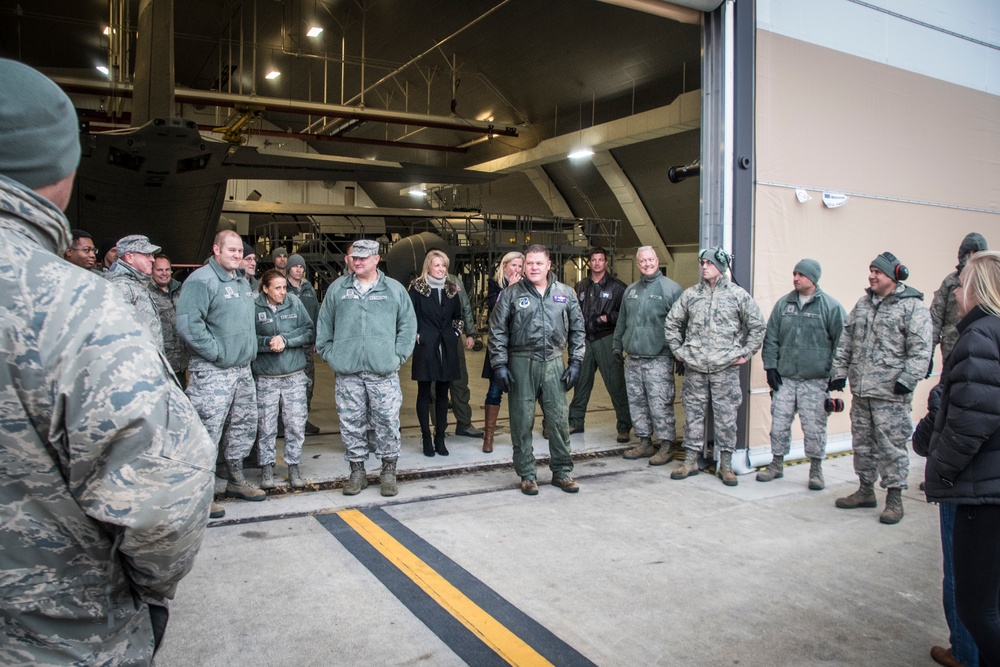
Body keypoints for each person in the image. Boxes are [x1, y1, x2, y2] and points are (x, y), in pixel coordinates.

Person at [0, 57, 214, 665]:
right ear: (62, 171)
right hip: (53, 636)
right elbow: (164, 494)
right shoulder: (72, 305)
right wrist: (149, 590)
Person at [923, 250, 1000, 665]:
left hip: (976, 489)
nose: (955, 292)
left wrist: (942, 470)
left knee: (976, 606)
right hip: (988, 483)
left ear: (978, 288)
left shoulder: (979, 336)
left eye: (963, 283)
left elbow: (972, 420)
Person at [830, 251, 931, 523]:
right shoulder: (863, 304)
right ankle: (865, 490)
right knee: (863, 444)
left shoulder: (913, 307)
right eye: (871, 270)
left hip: (891, 395)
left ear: (895, 276)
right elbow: (846, 340)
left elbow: (921, 351)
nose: (872, 276)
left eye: (879, 272)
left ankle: (895, 498)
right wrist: (839, 372)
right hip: (862, 392)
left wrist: (907, 380)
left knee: (892, 447)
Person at [316, 239, 416, 497]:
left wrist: (397, 356)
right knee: (351, 423)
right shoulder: (337, 290)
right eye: (354, 258)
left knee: (387, 422)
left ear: (376, 259)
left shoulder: (393, 289)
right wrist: (331, 354)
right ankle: (357, 472)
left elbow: (407, 325)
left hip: (383, 372)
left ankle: (388, 471)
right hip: (348, 372)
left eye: (363, 258)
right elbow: (324, 325)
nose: (357, 262)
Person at [177, 229, 266, 508]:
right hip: (212, 371)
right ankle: (199, 491)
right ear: (216, 250)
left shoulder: (241, 282)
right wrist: (216, 352)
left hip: (241, 370)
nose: (238, 256)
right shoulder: (201, 281)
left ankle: (235, 479)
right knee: (207, 431)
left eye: (240, 251)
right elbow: (188, 325)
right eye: (232, 251)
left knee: (242, 426)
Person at [489, 244, 586, 495]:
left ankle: (562, 472)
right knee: (522, 422)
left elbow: (578, 329)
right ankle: (527, 475)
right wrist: (499, 364)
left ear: (549, 266)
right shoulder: (511, 294)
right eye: (529, 263)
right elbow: (497, 330)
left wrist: (575, 361)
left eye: (538, 263)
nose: (533, 268)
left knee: (558, 420)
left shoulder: (566, 293)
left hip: (554, 361)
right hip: (521, 362)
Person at [664, 246, 766, 486]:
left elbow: (758, 326)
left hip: (725, 370)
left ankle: (727, 465)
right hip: (696, 369)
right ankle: (690, 460)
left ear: (720, 267)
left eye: (708, 263)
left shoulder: (737, 295)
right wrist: (679, 351)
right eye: (702, 263)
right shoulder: (691, 295)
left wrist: (745, 353)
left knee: (726, 418)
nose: (704, 267)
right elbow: (672, 322)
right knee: (693, 415)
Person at [757, 259, 845, 489]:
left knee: (814, 427)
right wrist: (771, 367)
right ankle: (776, 464)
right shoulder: (783, 305)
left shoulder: (830, 307)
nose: (796, 278)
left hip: (815, 381)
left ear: (813, 278)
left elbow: (842, 342)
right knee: (778, 425)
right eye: (794, 273)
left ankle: (816, 470)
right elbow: (772, 338)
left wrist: (838, 374)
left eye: (801, 275)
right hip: (786, 379)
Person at [914, 387, 980, 667]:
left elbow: (930, 437)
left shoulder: (976, 348)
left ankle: (964, 653)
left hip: (969, 480)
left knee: (959, 571)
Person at [613, 246, 683, 465]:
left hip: (659, 359)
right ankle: (644, 442)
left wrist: (679, 353)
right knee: (637, 402)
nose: (647, 264)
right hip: (633, 358)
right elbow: (622, 320)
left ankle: (666, 444)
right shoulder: (631, 290)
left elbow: (682, 324)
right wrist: (617, 345)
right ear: (637, 264)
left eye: (650, 260)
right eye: (642, 261)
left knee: (660, 403)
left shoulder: (672, 289)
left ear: (657, 259)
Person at [253, 269, 315, 490]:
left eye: (284, 288)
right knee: (266, 426)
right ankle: (267, 468)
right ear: (265, 288)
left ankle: (294, 466)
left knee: (295, 424)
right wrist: (268, 343)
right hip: (266, 377)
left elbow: (308, 331)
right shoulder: (254, 306)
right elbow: (249, 337)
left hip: (293, 375)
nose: (282, 292)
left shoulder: (294, 303)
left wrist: (285, 340)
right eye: (277, 288)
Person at [408, 250, 474, 457]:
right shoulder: (416, 289)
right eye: (437, 265)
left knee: (444, 395)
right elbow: (408, 314)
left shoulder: (451, 289)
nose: (441, 269)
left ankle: (440, 437)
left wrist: (455, 333)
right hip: (426, 346)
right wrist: (416, 334)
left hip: (447, 346)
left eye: (444, 266)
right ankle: (426, 436)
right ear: (428, 266)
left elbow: (458, 315)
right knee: (425, 393)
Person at [568, 246, 632, 442]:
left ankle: (624, 425)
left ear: (606, 262)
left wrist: (606, 318)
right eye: (593, 260)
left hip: (606, 338)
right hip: (585, 340)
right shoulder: (580, 286)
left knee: (616, 384)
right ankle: (575, 422)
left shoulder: (618, 287)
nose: (597, 263)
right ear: (590, 262)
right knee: (581, 383)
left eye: (600, 260)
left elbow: (625, 314)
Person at [481, 251, 524, 452]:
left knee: (523, 392)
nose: (517, 269)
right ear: (505, 266)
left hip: (520, 346)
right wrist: (510, 289)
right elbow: (494, 309)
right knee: (494, 390)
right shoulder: (494, 285)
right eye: (514, 265)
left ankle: (523, 434)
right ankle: (488, 436)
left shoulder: (528, 287)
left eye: (520, 266)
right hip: (499, 346)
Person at [931, 233, 988, 366]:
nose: (971, 257)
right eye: (968, 253)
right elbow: (935, 318)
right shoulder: (951, 282)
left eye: (976, 253)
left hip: (982, 346)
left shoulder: (988, 282)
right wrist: (928, 354)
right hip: (952, 347)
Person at [107, 234, 165, 350]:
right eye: (147, 255)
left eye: (152, 255)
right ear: (129, 258)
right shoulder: (121, 286)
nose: (152, 259)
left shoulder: (137, 284)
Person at [286, 253, 321, 435]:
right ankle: (284, 422)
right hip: (288, 344)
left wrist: (316, 339)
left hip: (306, 344)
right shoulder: (283, 288)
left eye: (301, 267)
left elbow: (316, 314)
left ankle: (303, 419)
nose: (298, 270)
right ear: (289, 269)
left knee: (308, 383)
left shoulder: (309, 289)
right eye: (295, 266)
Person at [448, 268, 484, 439]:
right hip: (431, 341)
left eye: (443, 264)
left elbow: (465, 307)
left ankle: (464, 423)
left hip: (453, 338)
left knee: (460, 381)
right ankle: (437, 428)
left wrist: (470, 333)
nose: (440, 268)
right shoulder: (421, 283)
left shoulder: (454, 281)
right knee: (433, 388)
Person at [150, 253, 190, 387]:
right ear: (152, 270)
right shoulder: (146, 292)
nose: (164, 273)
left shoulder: (180, 289)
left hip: (181, 361)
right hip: (160, 361)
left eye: (167, 270)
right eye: (159, 270)